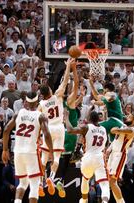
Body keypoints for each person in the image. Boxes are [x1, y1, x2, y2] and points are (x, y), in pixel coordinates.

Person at [2, 91, 53, 203]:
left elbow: (6, 130)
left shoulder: (18, 113)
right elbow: (47, 135)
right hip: (31, 152)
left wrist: (5, 150)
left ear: (26, 101)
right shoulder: (41, 116)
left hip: (18, 152)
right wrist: (51, 152)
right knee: (34, 184)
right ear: (36, 101)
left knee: (23, 183)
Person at [38, 58, 74, 195]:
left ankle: (41, 182)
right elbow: (65, 81)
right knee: (57, 157)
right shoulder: (57, 96)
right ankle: (52, 179)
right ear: (50, 91)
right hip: (59, 128)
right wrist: (68, 67)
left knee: (44, 158)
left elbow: (38, 120)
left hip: (48, 129)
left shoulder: (41, 105)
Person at [66, 110, 110, 203]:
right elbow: (106, 144)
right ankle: (105, 201)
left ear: (89, 119)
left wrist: (66, 117)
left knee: (85, 179)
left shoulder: (86, 127)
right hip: (99, 157)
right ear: (98, 119)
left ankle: (84, 200)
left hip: (87, 157)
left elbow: (70, 130)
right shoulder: (104, 129)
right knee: (104, 183)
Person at [56, 58, 79, 198]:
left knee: (58, 158)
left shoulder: (54, 99)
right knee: (67, 159)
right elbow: (75, 84)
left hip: (57, 132)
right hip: (69, 132)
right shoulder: (69, 102)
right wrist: (73, 68)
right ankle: (60, 179)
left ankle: (54, 178)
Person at [107, 112, 134, 203]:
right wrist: (109, 150)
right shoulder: (123, 126)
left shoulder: (132, 130)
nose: (127, 117)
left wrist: (117, 130)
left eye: (130, 117)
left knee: (113, 181)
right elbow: (114, 134)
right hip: (113, 153)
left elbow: (114, 130)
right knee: (110, 182)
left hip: (120, 155)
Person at [89, 77, 125, 142]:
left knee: (93, 127)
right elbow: (99, 99)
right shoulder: (109, 98)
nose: (103, 91)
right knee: (113, 143)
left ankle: (81, 147)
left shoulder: (111, 94)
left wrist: (95, 101)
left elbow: (100, 97)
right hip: (117, 123)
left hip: (114, 121)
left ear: (106, 89)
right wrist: (91, 84)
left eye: (104, 90)